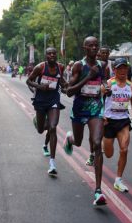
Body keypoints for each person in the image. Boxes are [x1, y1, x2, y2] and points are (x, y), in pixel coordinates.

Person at [63, 36, 108, 206]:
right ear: (84, 48)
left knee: (97, 144)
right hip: (80, 108)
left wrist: (106, 87)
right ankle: (70, 139)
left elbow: (103, 81)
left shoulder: (102, 65)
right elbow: (69, 91)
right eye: (90, 45)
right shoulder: (78, 66)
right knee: (79, 141)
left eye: (96, 45)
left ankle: (98, 190)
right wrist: (88, 77)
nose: (94, 48)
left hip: (96, 108)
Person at [26, 47, 67, 176]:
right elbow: (29, 81)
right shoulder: (40, 67)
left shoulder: (60, 67)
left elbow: (62, 82)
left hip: (54, 99)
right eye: (49, 54)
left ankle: (52, 163)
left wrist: (67, 86)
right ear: (45, 56)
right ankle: (38, 121)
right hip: (40, 100)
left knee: (53, 127)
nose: (52, 55)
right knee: (41, 129)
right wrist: (40, 87)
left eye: (54, 53)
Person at [103, 58, 132, 193]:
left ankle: (118, 180)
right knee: (109, 154)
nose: (123, 71)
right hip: (109, 121)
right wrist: (102, 115)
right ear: (115, 70)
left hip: (123, 120)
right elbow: (99, 100)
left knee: (124, 150)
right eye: (120, 68)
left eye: (125, 68)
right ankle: (101, 145)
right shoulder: (108, 84)